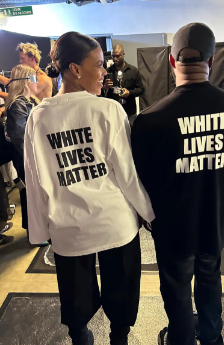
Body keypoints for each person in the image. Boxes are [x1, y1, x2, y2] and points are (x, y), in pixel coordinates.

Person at [24, 31, 154, 345]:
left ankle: (82, 338)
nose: (104, 73)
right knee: (121, 295)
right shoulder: (108, 111)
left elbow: (35, 180)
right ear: (75, 69)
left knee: (74, 302)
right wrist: (148, 213)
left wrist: (40, 233)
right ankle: (118, 338)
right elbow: (126, 173)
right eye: (98, 65)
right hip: (115, 223)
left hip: (68, 227)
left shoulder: (38, 118)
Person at [131, 23, 224, 345]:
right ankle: (212, 336)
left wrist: (151, 217)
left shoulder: (149, 119)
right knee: (210, 276)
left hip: (172, 225)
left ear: (172, 62)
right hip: (216, 218)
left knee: (175, 285)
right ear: (213, 61)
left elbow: (140, 182)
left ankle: (181, 338)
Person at [5, 65, 47, 247]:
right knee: (31, 195)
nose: (37, 83)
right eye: (34, 79)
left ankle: (38, 230)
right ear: (25, 82)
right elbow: (21, 138)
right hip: (27, 159)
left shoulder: (28, 101)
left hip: (33, 157)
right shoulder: (18, 105)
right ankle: (35, 233)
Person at [104, 44, 144, 126]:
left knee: (131, 134)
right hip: (113, 111)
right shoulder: (107, 72)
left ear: (123, 54)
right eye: (113, 56)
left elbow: (141, 89)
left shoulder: (133, 71)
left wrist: (129, 93)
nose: (115, 59)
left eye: (118, 56)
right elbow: (99, 93)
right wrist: (105, 87)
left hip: (130, 112)